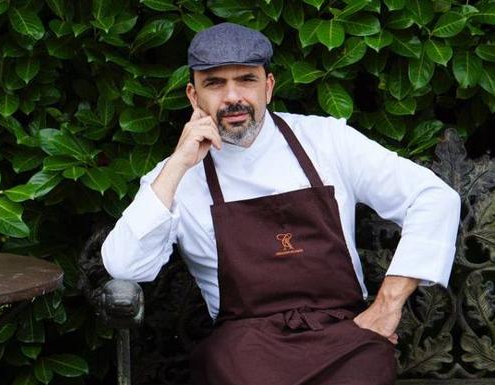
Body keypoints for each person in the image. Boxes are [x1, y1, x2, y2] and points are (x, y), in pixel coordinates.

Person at [101, 22, 461, 385]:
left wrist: (386, 306)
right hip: (246, 352)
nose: (232, 97)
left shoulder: (326, 140)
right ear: (193, 97)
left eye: (246, 79)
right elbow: (124, 265)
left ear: (268, 87)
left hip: (346, 340)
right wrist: (178, 164)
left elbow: (434, 198)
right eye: (215, 83)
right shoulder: (177, 176)